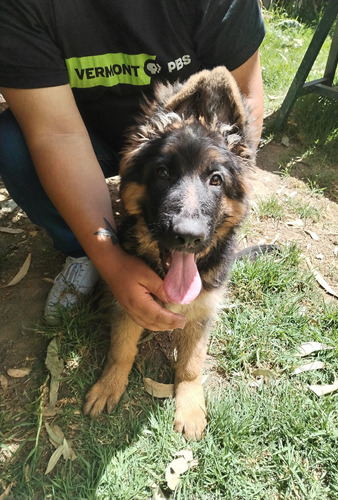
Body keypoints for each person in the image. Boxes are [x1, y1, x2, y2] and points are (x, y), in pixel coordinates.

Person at [0, 0, 265, 330]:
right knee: (12, 144)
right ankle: (80, 249)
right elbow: (56, 133)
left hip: (186, 147)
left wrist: (221, 192)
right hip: (83, 136)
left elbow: (241, 96)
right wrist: (110, 260)